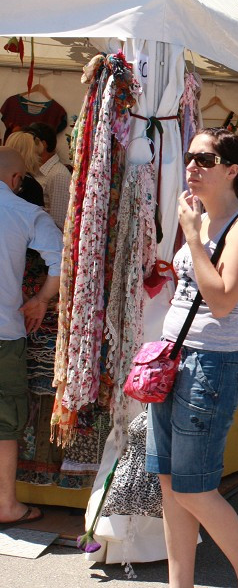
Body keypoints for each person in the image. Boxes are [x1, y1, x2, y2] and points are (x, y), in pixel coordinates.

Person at [145, 128, 238, 588]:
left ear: (232, 170)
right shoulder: (203, 219)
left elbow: (221, 300)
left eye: (205, 159)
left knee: (194, 489)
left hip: (211, 364)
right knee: (169, 485)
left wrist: (194, 239)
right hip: (173, 361)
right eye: (190, 157)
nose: (193, 166)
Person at [0, 146, 62, 527]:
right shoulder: (24, 212)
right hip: (4, 333)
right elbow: (62, 261)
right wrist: (41, 299)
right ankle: (5, 504)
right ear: (17, 180)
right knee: (5, 420)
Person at [26, 122, 72, 229]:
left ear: (43, 144)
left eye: (30, 142)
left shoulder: (58, 174)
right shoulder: (38, 170)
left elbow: (58, 223)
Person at [5, 131, 45, 208]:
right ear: (30, 156)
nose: (40, 159)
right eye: (37, 154)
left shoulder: (4, 179)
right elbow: (37, 219)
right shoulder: (32, 187)